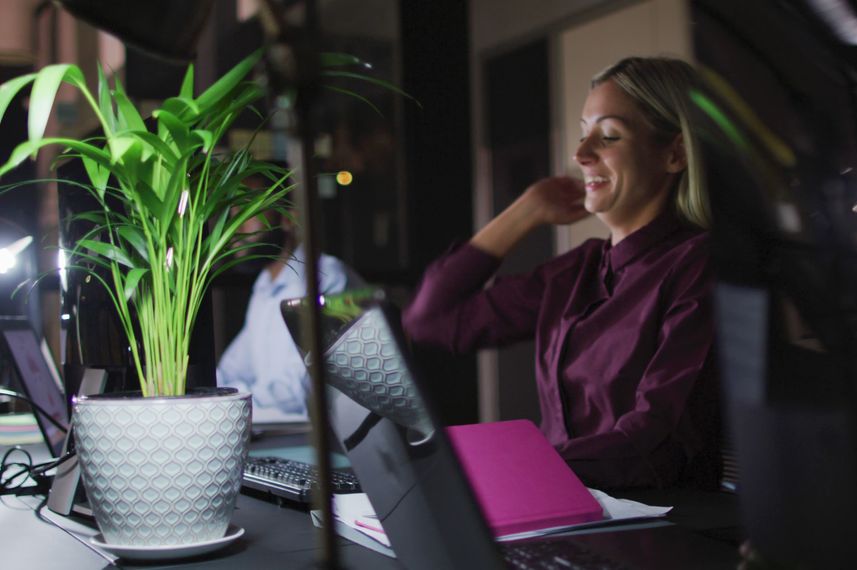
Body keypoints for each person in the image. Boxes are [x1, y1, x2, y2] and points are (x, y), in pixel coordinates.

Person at [403, 56, 719, 490]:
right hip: (557, 505)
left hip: (656, 528)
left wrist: (505, 468)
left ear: (675, 153)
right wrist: (525, 211)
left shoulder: (700, 266)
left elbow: (653, 444)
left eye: (607, 135)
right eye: (583, 133)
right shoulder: (577, 270)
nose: (580, 154)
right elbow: (431, 321)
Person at [217, 182, 363, 424]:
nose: (235, 229)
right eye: (232, 217)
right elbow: (233, 368)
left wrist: (225, 398)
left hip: (324, 441)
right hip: (282, 430)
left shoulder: (322, 276)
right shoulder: (264, 286)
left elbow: (296, 392)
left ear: (288, 219)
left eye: (247, 214)